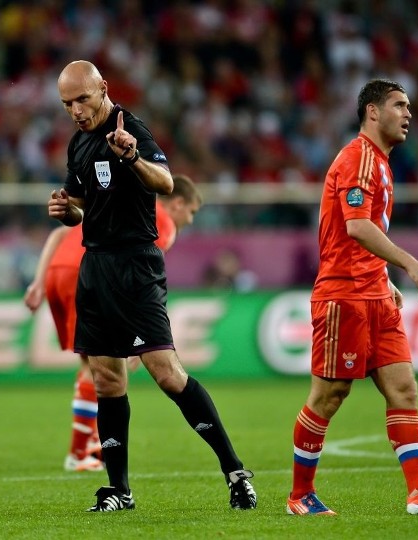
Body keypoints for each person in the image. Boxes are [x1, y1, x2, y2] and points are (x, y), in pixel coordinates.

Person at [49, 60, 256, 512]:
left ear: (103, 88)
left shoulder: (130, 128)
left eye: (82, 99)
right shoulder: (78, 143)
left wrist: (130, 155)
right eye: (67, 104)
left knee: (166, 372)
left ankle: (235, 471)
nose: (76, 111)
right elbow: (83, 207)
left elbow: (164, 181)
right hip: (96, 265)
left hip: (136, 265)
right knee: (106, 379)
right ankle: (119, 491)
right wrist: (67, 210)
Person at [286, 79, 418, 516]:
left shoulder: (381, 162)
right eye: (399, 105)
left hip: (375, 293)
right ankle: (300, 496)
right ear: (372, 112)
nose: (408, 114)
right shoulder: (358, 159)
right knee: (329, 396)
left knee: (403, 388)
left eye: (409, 107)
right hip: (345, 297)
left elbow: (361, 234)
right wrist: (410, 264)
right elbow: (356, 226)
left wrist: (384, 275)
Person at [25, 174, 203, 473]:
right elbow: (139, 271)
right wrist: (139, 326)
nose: (191, 220)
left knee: (94, 363)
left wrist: (39, 281)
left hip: (58, 272)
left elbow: (59, 236)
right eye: (192, 212)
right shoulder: (161, 220)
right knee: (99, 367)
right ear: (178, 203)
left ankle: (90, 446)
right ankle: (80, 452)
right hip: (87, 275)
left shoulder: (120, 203)